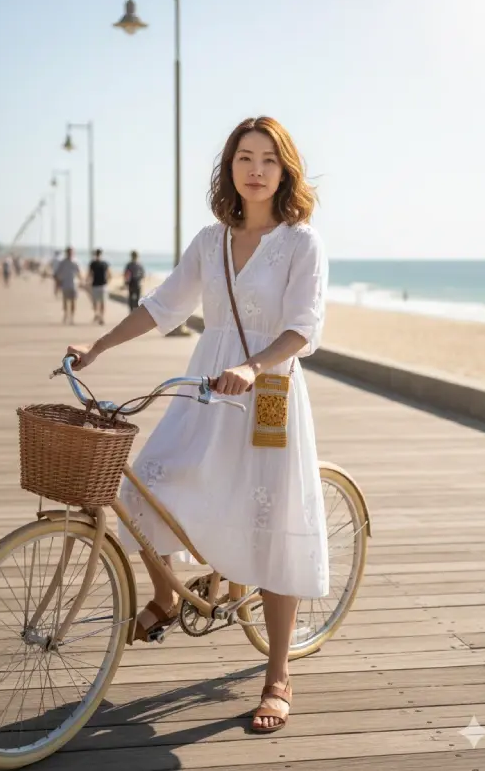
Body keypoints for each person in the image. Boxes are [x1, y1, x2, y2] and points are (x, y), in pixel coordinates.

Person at [67, 117, 329, 734]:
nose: (256, 169)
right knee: (143, 486)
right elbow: (163, 306)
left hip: (267, 392)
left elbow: (304, 327)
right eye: (244, 157)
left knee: (270, 526)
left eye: (268, 159)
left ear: (285, 170)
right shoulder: (211, 241)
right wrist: (98, 346)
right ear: (229, 168)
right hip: (205, 387)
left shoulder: (302, 243)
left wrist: (252, 365)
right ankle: (165, 595)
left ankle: (277, 675)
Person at [55, 247, 82, 324]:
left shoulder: (76, 262)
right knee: (65, 301)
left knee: (73, 302)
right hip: (65, 284)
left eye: (72, 252)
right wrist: (58, 283)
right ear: (66, 253)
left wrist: (81, 282)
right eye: (69, 252)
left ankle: (72, 318)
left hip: (74, 285)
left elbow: (79, 273)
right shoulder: (62, 262)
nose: (70, 254)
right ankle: (66, 315)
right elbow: (58, 274)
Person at [88, 249, 111, 325]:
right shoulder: (94, 263)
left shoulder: (103, 263)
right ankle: (98, 315)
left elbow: (109, 273)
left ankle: (101, 317)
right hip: (98, 285)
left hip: (100, 285)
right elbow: (90, 273)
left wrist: (108, 281)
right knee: (97, 302)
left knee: (101, 302)